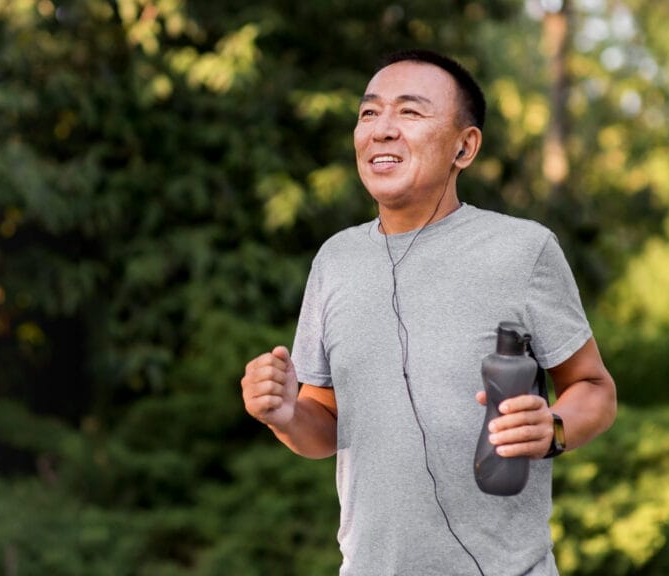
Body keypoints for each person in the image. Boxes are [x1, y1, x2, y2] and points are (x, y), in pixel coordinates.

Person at [240, 49, 617, 576]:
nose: (382, 129)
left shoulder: (522, 249)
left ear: (465, 146)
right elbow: (323, 425)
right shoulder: (335, 259)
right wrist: (282, 415)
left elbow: (595, 390)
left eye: (410, 113)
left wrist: (552, 426)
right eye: (369, 112)